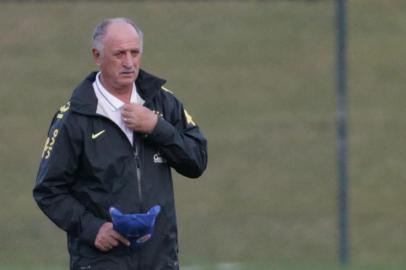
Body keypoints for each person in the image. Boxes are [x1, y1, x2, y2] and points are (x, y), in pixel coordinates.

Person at [33, 17, 208, 270]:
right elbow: (48, 191)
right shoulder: (74, 117)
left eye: (134, 53)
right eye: (119, 54)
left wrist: (157, 128)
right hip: (101, 260)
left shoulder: (163, 104)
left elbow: (197, 161)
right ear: (97, 56)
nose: (129, 62)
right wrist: (93, 229)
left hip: (159, 259)